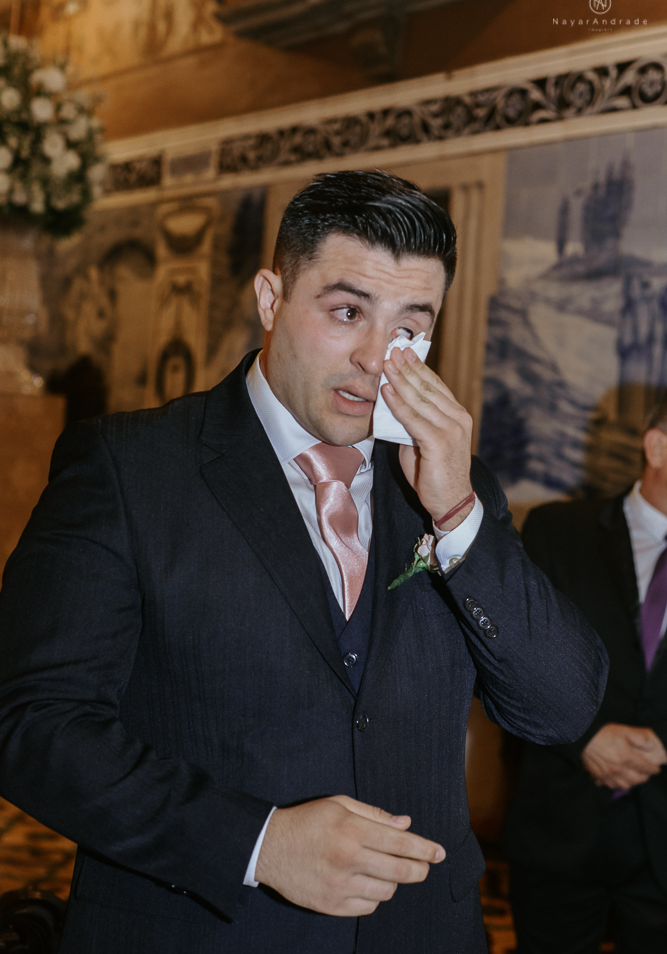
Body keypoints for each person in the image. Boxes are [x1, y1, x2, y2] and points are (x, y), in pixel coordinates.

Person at [0, 171, 607, 954]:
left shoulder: (451, 483)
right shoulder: (127, 468)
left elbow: (561, 707)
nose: (373, 359)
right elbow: (28, 723)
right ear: (270, 298)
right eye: (346, 311)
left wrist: (457, 516)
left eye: (408, 328)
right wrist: (257, 842)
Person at [505, 405, 667, 954]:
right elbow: (510, 660)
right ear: (658, 449)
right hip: (561, 830)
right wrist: (585, 738)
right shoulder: (557, 530)